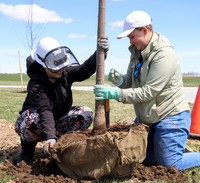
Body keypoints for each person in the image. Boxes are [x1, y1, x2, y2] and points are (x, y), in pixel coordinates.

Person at [94, 10, 200, 171]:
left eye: (131, 36)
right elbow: (131, 78)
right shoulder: (138, 51)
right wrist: (120, 80)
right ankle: (169, 149)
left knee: (169, 164)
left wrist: (117, 94)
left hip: (170, 117)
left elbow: (149, 91)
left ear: (144, 30)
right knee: (141, 159)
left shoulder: (164, 54)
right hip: (147, 119)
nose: (130, 42)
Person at [15, 36, 109, 167]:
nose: (60, 70)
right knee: (29, 119)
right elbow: (45, 110)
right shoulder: (35, 85)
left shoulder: (65, 73)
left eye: (62, 66)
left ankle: (63, 145)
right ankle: (27, 151)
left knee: (85, 114)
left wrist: (100, 53)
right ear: (43, 65)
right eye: (56, 67)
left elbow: (83, 70)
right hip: (39, 122)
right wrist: (50, 136)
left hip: (59, 119)